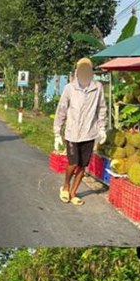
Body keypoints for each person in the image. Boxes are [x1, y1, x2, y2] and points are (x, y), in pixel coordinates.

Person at [53, 58, 107, 206]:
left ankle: (73, 193)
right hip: (72, 133)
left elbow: (101, 108)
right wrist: (57, 132)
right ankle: (65, 186)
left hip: (89, 133)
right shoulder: (70, 88)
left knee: (83, 166)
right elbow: (61, 110)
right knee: (73, 163)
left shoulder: (97, 88)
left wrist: (102, 127)